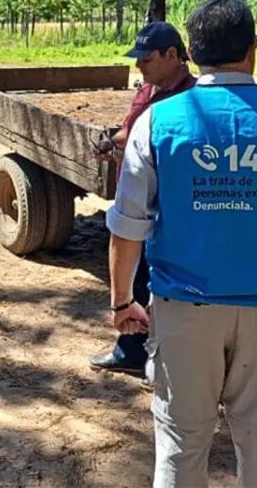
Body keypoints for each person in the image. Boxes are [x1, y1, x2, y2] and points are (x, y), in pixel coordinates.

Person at [106, 0, 257, 487]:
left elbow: (127, 225)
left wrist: (121, 301)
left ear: (192, 53)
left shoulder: (157, 122)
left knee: (179, 447)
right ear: (253, 50)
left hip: (184, 312)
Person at [90, 21, 196, 378]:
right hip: (137, 204)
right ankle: (132, 351)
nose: (139, 66)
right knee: (135, 280)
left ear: (172, 56)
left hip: (167, 211)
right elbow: (129, 128)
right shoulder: (148, 91)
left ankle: (164, 362)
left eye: (146, 59)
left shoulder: (190, 98)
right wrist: (113, 144)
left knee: (161, 284)